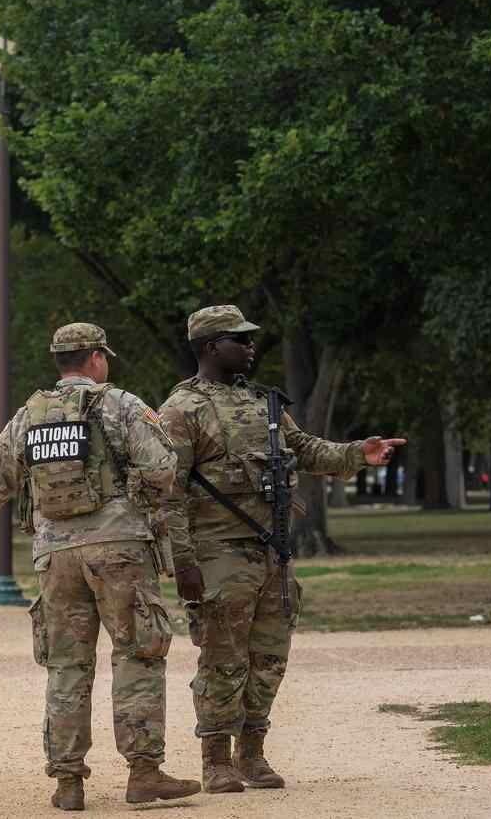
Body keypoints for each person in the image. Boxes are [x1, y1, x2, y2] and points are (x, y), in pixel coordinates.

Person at [0, 323, 201, 811]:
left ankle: (68, 782)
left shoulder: (29, 416)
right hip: (119, 548)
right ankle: (143, 773)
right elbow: (162, 468)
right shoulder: (122, 404)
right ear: (96, 358)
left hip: (55, 553)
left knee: (66, 665)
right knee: (138, 654)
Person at [158, 305, 405, 794]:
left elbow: (305, 448)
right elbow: (168, 493)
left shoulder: (264, 403)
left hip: (273, 549)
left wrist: (357, 453)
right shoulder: (181, 410)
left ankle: (252, 753)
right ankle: (216, 760)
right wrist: (182, 562)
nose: (251, 346)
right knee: (223, 659)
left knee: (270, 657)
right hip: (218, 552)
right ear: (211, 347)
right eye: (240, 339)